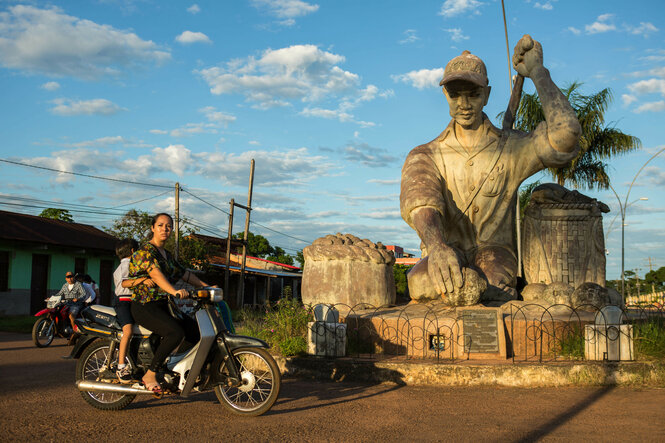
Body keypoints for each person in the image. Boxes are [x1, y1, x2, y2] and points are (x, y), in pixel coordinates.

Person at [400, 35, 581, 304]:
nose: (463, 103)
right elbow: (421, 204)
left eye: (473, 94)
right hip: (446, 250)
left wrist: (538, 73)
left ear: (487, 94)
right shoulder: (426, 154)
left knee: (491, 284)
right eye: (455, 94)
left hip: (495, 253)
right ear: (444, 95)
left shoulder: (512, 147)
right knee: (422, 282)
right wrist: (437, 246)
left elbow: (565, 137)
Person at [127, 213, 213, 393]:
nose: (165, 229)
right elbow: (156, 275)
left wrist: (208, 288)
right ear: (152, 228)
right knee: (175, 332)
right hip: (145, 305)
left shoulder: (166, 255)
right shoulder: (144, 252)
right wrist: (173, 291)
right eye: (160, 225)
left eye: (169, 226)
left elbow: (185, 274)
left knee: (195, 331)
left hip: (163, 305)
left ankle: (172, 367)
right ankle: (150, 374)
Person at [113, 238, 155, 383]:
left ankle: (138, 364)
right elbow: (126, 282)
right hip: (123, 303)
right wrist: (142, 280)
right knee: (129, 331)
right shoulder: (126, 266)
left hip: (134, 302)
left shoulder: (131, 265)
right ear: (133, 251)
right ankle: (121, 366)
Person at [55, 271, 86, 338]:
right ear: (66, 278)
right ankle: (58, 330)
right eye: (68, 277)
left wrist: (77, 298)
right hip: (66, 303)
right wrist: (52, 297)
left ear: (74, 277)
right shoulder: (65, 285)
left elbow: (83, 294)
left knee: (71, 315)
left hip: (76, 304)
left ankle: (75, 333)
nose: (70, 279)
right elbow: (59, 294)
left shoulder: (78, 284)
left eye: (71, 277)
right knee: (57, 312)